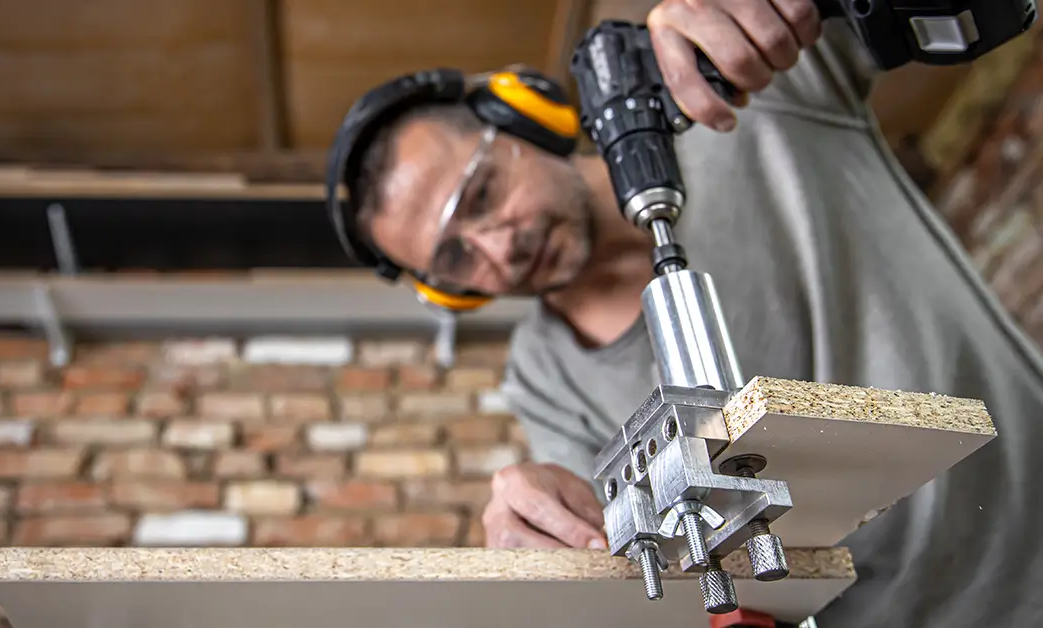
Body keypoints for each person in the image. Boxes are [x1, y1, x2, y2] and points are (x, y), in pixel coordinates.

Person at [323, 1, 1043, 626]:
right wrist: (549, 539)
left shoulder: (735, 101)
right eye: (455, 259)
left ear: (527, 118)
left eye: (480, 195)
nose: (497, 250)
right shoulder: (543, 371)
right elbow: (632, 566)